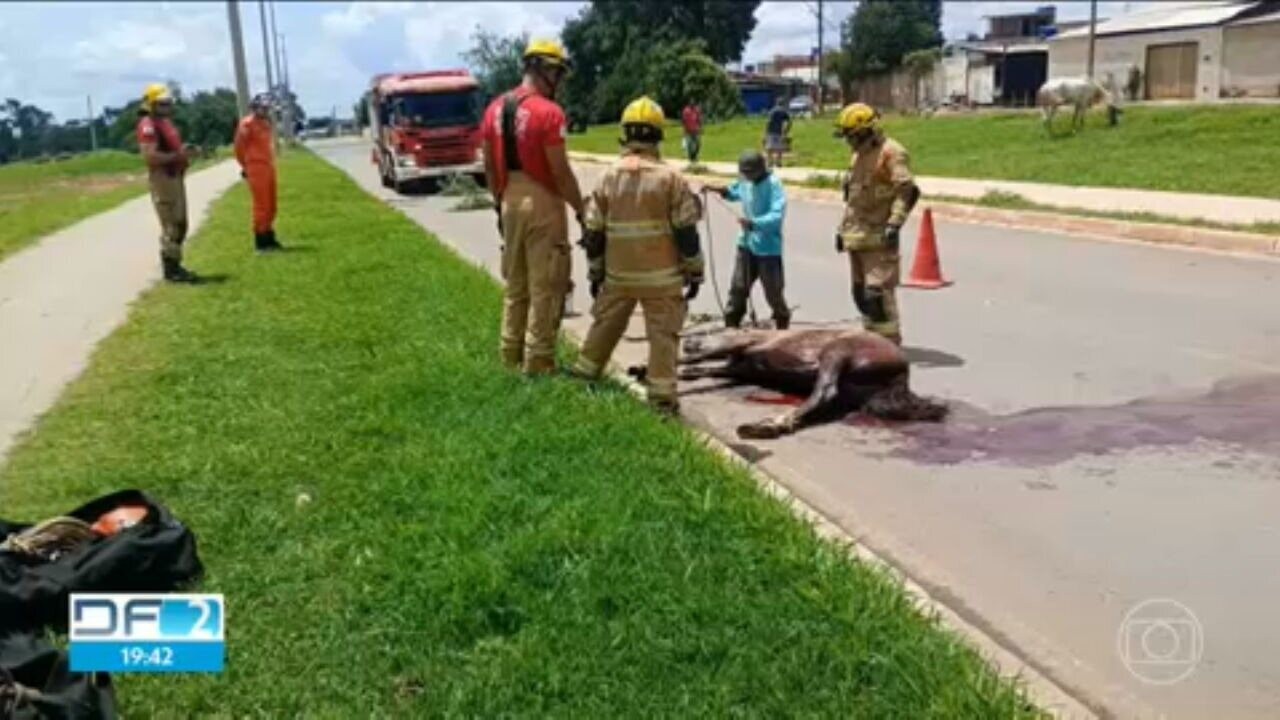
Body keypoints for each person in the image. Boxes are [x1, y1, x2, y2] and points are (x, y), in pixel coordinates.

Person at [571, 96, 704, 415]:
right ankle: (661, 401)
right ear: (658, 135)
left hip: (618, 276)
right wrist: (695, 271)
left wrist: (595, 273)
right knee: (663, 338)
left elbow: (594, 234)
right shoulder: (670, 179)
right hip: (663, 279)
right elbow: (687, 233)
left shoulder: (607, 177)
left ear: (625, 134)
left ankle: (583, 377)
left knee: (605, 326)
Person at [481, 39, 584, 375]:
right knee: (547, 284)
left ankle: (510, 354)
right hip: (542, 201)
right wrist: (581, 207)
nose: (561, 81)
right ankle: (539, 361)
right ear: (545, 69)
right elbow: (560, 171)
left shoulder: (494, 109)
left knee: (516, 284)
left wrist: (499, 201)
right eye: (559, 73)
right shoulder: (548, 113)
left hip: (508, 197)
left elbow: (489, 166)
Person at [833, 103, 920, 345]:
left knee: (877, 296)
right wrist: (842, 230)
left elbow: (907, 191)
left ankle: (890, 346)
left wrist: (895, 224)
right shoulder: (858, 155)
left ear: (864, 132)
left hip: (879, 240)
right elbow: (853, 199)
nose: (848, 142)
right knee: (860, 296)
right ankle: (872, 345)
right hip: (856, 238)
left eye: (850, 136)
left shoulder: (891, 153)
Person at [707, 150, 790, 329]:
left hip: (768, 248)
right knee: (738, 287)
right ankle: (731, 324)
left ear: (760, 169)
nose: (747, 177)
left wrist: (754, 223)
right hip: (746, 244)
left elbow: (776, 215)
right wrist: (719, 190)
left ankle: (782, 322)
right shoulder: (746, 181)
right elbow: (734, 191)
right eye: (744, 173)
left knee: (773, 292)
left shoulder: (774, 185)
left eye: (750, 173)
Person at [136, 83, 197, 283]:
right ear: (152, 105)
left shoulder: (166, 123)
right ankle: (171, 269)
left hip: (175, 177)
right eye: (163, 104)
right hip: (162, 179)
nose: (168, 107)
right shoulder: (148, 125)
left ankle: (175, 264)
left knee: (181, 223)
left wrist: (184, 153)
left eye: (169, 103)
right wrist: (177, 155)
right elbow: (150, 156)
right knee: (171, 224)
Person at [234, 93, 284, 252]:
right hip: (256, 167)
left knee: (271, 204)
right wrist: (246, 166)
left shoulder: (265, 123)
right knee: (261, 204)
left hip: (268, 165)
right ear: (255, 107)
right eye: (262, 107)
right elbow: (239, 148)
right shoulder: (247, 124)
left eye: (267, 108)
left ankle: (269, 235)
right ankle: (261, 240)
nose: (265, 110)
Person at [763, 98, 791, 168]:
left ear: (776, 103)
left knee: (769, 148)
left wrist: (765, 131)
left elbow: (768, 121)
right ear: (783, 104)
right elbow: (789, 122)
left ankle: (770, 162)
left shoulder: (772, 110)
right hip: (779, 131)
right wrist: (786, 131)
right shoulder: (784, 111)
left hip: (771, 131)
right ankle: (778, 162)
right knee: (779, 148)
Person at [681, 101, 703, 165]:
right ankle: (691, 157)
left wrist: (700, 127)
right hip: (688, 130)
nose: (692, 105)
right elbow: (684, 120)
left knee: (698, 144)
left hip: (696, 130)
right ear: (689, 104)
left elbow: (699, 119)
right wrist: (684, 129)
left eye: (693, 104)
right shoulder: (686, 111)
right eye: (691, 104)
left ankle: (694, 155)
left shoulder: (697, 110)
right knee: (689, 145)